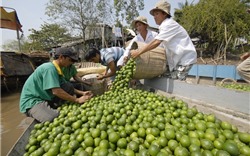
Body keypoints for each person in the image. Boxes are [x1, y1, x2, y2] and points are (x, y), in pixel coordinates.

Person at [19, 47, 93, 123]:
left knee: (68, 86)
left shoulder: (58, 70)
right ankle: (43, 110)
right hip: (33, 101)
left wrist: (82, 93)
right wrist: (77, 100)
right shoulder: (49, 69)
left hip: (46, 97)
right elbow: (56, 91)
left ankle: (53, 106)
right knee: (52, 118)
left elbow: (66, 87)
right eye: (70, 60)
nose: (71, 63)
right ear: (61, 57)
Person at [130, 0, 197, 80]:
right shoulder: (163, 27)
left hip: (185, 59)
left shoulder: (168, 24)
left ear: (165, 14)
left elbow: (156, 42)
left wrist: (138, 52)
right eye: (154, 15)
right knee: (168, 78)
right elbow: (160, 46)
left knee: (177, 82)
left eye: (157, 14)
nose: (154, 17)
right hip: (176, 60)